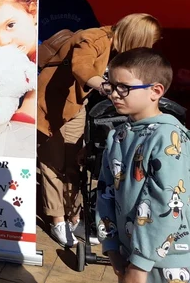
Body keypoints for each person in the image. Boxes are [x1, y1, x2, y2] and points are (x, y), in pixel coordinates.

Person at [38, 13, 162, 247]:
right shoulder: (93, 38)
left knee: (73, 162)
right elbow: (81, 66)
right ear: (137, 37)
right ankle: (57, 220)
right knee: (52, 163)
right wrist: (107, 87)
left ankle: (74, 216)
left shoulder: (116, 49)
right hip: (48, 106)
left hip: (74, 106)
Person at [96, 48, 190, 283]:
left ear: (155, 91)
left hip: (167, 259)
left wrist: (140, 264)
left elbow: (165, 201)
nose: (114, 95)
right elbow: (105, 191)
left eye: (124, 88)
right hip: (129, 252)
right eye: (111, 86)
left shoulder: (168, 136)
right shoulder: (116, 136)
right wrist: (111, 245)